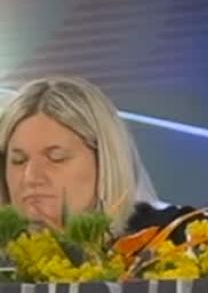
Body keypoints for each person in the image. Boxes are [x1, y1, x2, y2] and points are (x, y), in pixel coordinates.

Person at [0, 76, 196, 238]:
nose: (31, 177)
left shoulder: (181, 239)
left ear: (104, 162)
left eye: (56, 157)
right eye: (19, 161)